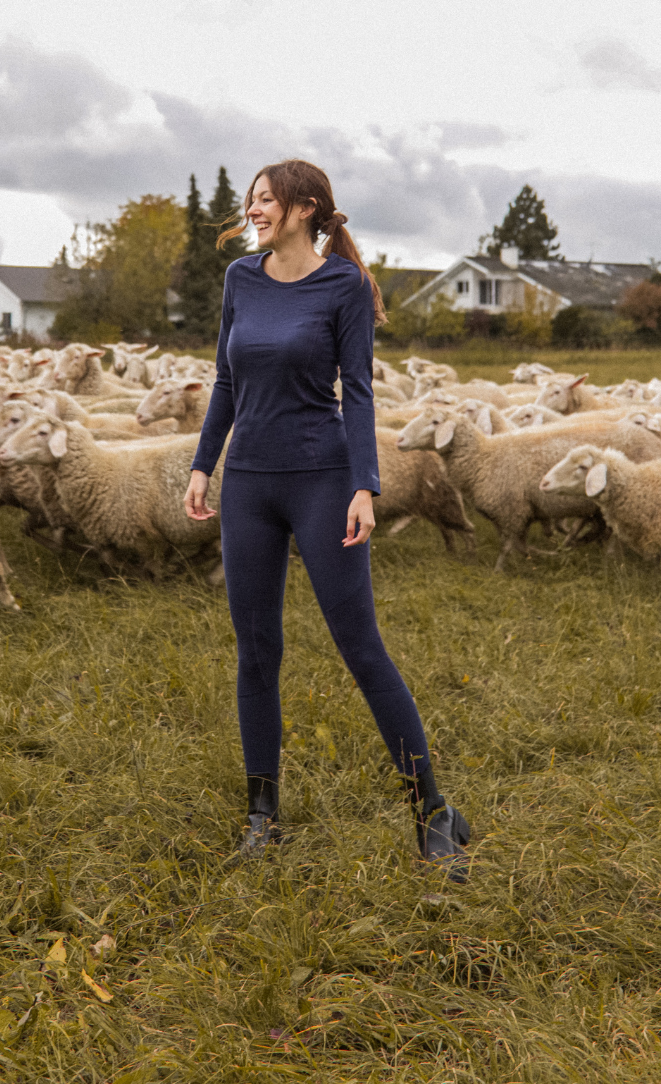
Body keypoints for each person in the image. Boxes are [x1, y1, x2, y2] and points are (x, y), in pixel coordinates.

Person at [183, 158, 469, 879]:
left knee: (361, 646)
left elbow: (359, 389)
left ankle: (434, 812)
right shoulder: (239, 280)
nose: (255, 210)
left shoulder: (343, 285)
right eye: (251, 200)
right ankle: (261, 818)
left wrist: (365, 485)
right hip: (249, 483)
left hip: (321, 481)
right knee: (257, 650)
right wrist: (201, 463)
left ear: (307, 208)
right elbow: (224, 378)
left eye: (267, 200)